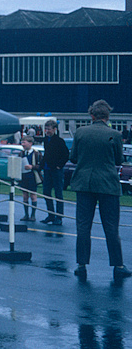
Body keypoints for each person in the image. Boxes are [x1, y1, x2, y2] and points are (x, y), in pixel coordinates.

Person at [70, 100, 130, 280]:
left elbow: (73, 158)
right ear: (108, 116)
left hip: (84, 184)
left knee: (83, 226)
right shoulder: (114, 135)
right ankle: (118, 265)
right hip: (107, 185)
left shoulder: (80, 132)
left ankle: (81, 265)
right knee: (111, 227)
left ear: (92, 115)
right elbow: (119, 160)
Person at [41, 119, 68, 226]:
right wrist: (40, 166)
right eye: (46, 129)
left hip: (56, 171)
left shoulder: (59, 141)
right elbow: (46, 154)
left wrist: (59, 166)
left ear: (55, 129)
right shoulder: (45, 140)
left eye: (49, 129)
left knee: (58, 194)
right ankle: (51, 214)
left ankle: (59, 217)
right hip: (47, 170)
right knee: (46, 192)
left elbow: (66, 155)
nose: (47, 131)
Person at [18, 135, 41, 222]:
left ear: (30, 143)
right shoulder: (21, 153)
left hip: (32, 177)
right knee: (25, 196)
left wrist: (32, 167)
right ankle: (26, 214)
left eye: (24, 142)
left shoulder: (37, 153)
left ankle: (33, 215)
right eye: (22, 142)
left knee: (33, 195)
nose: (22, 144)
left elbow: (40, 166)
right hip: (24, 177)